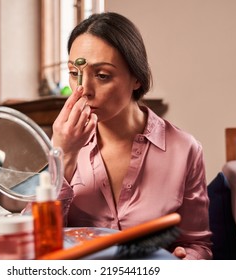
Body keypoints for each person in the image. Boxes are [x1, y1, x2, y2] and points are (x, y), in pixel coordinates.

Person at [51, 12, 212, 260]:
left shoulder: (185, 149)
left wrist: (186, 259)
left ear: (136, 77)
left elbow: (197, 244)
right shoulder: (63, 141)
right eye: (74, 73)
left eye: (102, 75)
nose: (84, 90)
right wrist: (63, 157)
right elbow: (32, 240)